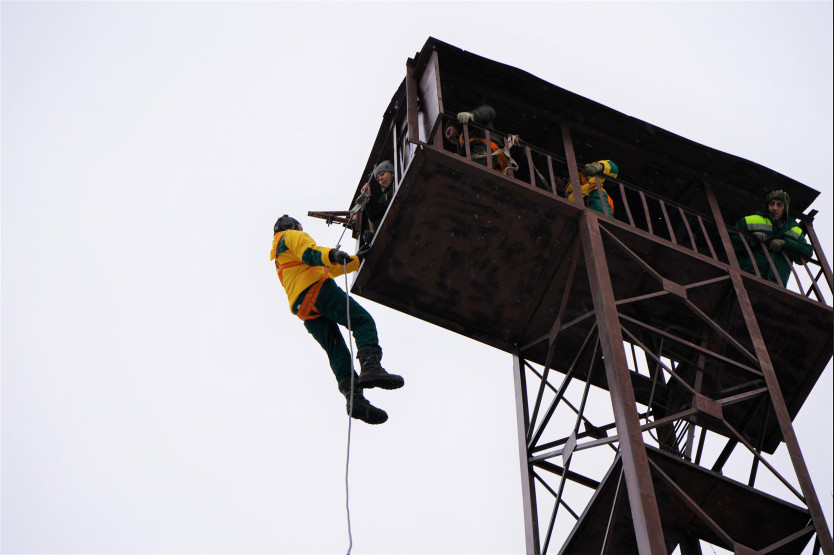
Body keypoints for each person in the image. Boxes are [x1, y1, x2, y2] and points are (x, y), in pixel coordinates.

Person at [270, 214, 404, 425]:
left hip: (303, 308)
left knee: (337, 350)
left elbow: (327, 267)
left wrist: (357, 258)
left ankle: (354, 398)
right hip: (317, 291)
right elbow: (311, 254)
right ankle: (371, 366)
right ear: (295, 226)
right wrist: (332, 254)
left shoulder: (281, 257)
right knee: (362, 321)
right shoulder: (291, 236)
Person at [731, 190, 813, 285]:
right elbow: (730, 239)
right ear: (767, 206)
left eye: (779, 205)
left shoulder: (794, 229)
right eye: (772, 204)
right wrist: (751, 240)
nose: (774, 208)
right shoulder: (751, 220)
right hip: (747, 275)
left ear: (784, 208)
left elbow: (807, 252)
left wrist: (785, 242)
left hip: (776, 283)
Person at [444, 104, 513, 172]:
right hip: (495, 165)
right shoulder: (462, 144)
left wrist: (473, 115)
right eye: (449, 139)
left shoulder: (474, 123)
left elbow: (490, 111)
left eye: (449, 132)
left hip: (490, 151)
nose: (450, 137)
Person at [359, 160, 396, 233]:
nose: (381, 180)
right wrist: (367, 198)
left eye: (382, 174)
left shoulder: (400, 179)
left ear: (391, 172)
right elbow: (374, 216)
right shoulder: (385, 197)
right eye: (378, 180)